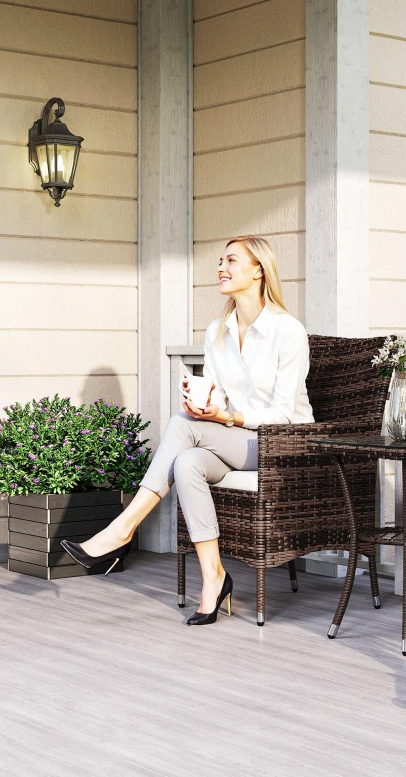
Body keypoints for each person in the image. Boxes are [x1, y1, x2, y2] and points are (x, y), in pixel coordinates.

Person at [61, 235, 314, 626]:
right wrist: (204, 406)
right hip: (237, 443)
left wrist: (221, 418)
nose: (221, 268)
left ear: (258, 270)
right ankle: (214, 577)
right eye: (220, 260)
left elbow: (282, 413)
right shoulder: (217, 331)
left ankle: (121, 530)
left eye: (232, 260)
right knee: (188, 462)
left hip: (282, 444)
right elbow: (219, 401)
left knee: (182, 427)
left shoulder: (288, 330)